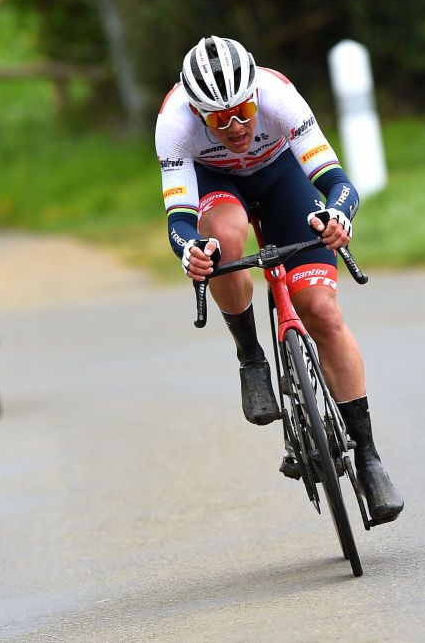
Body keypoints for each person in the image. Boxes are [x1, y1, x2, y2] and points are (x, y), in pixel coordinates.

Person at [156, 36, 403, 522]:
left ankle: (370, 457)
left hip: (281, 177)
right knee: (223, 242)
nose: (235, 126)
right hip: (217, 185)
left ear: (255, 95)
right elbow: (179, 219)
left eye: (243, 110)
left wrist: (338, 215)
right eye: (218, 119)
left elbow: (337, 183)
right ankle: (251, 357)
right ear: (197, 115)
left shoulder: (278, 95)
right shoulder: (173, 124)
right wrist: (190, 250)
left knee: (323, 311)